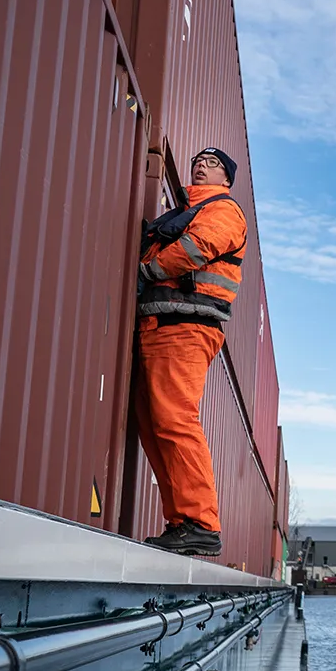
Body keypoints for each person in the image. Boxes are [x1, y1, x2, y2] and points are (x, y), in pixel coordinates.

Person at [133, 147, 248, 555]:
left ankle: (200, 522)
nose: (202, 164)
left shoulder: (223, 210)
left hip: (185, 328)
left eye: (213, 163)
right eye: (199, 160)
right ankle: (182, 522)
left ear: (226, 179)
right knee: (155, 426)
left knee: (175, 421)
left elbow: (198, 248)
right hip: (160, 324)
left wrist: (146, 271)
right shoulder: (183, 212)